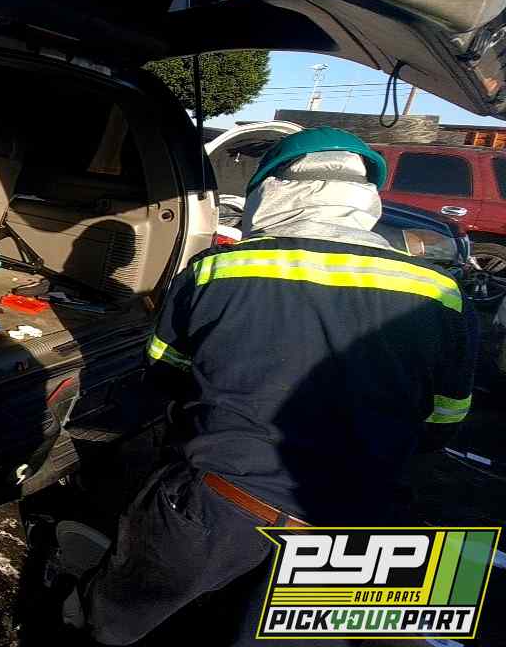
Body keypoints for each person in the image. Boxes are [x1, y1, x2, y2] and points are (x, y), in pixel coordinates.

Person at [41, 127, 478, 645]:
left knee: (114, 623)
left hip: (219, 503)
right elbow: (444, 422)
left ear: (270, 190)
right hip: (355, 524)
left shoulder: (217, 270)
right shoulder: (441, 292)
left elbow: (163, 371)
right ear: (366, 197)